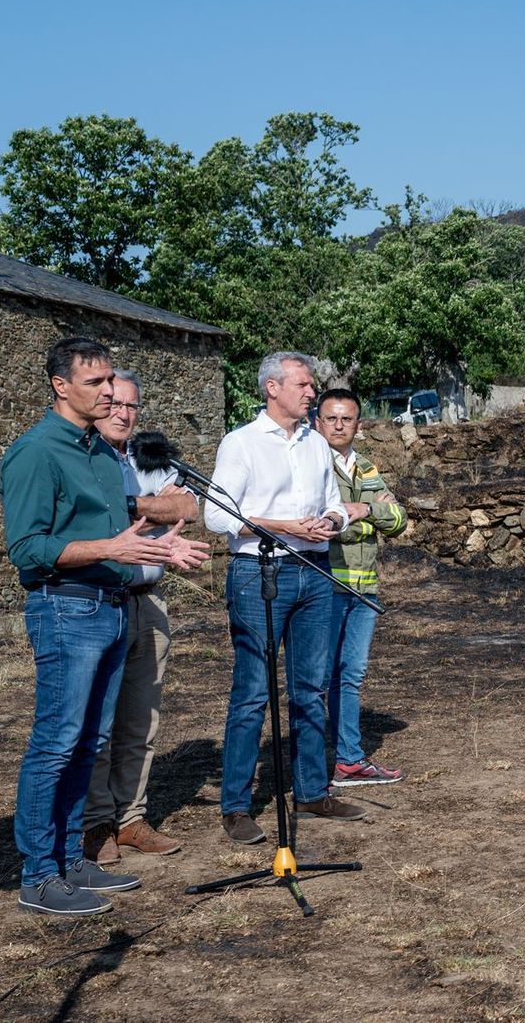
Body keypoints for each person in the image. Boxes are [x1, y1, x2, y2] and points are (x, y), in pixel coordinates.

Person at [1, 338, 207, 917]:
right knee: (57, 743)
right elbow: (28, 548)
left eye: (110, 380)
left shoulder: (98, 451)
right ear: (60, 386)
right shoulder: (35, 452)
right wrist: (109, 546)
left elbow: (124, 532)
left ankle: (71, 860)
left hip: (112, 605)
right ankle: (39, 874)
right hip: (66, 608)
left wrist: (159, 548)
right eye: (94, 383)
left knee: (90, 742)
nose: (109, 392)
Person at [205, 352, 365, 845]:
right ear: (272, 388)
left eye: (311, 384)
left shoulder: (316, 444)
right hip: (260, 570)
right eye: (302, 383)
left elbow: (335, 505)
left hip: (316, 572)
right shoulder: (242, 443)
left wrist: (332, 522)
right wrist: (280, 525)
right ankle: (237, 806)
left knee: (311, 688)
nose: (311, 392)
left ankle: (313, 792)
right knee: (253, 692)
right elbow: (216, 515)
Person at [83, 370, 205, 866]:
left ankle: (132, 817)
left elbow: (188, 506)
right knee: (98, 721)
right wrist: (150, 510)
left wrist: (135, 504)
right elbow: (94, 521)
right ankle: (95, 824)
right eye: (114, 404)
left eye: (132, 406)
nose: (123, 414)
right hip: (97, 600)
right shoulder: (82, 458)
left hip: (148, 600)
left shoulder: (143, 459)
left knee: (142, 718)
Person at [316, 389, 408, 787]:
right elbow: (320, 525)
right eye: (331, 418)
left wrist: (365, 510)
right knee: (318, 678)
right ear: (317, 422)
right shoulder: (313, 466)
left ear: (358, 424)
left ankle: (349, 760)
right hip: (325, 584)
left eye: (347, 419)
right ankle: (311, 765)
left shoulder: (367, 468)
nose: (339, 426)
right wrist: (369, 517)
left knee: (350, 675)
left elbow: (400, 520)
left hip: (363, 589)